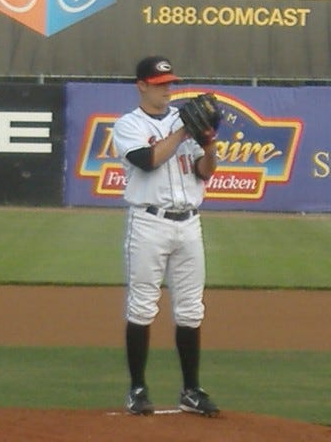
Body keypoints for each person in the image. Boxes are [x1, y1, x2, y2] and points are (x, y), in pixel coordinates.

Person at [112, 56, 220, 417]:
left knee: (191, 309)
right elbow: (147, 159)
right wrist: (184, 132)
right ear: (142, 85)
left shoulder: (183, 122)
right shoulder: (128, 124)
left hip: (189, 223)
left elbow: (205, 173)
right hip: (149, 223)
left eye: (170, 83)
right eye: (160, 84)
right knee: (142, 306)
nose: (167, 89)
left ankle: (191, 390)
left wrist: (208, 145)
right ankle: (137, 389)